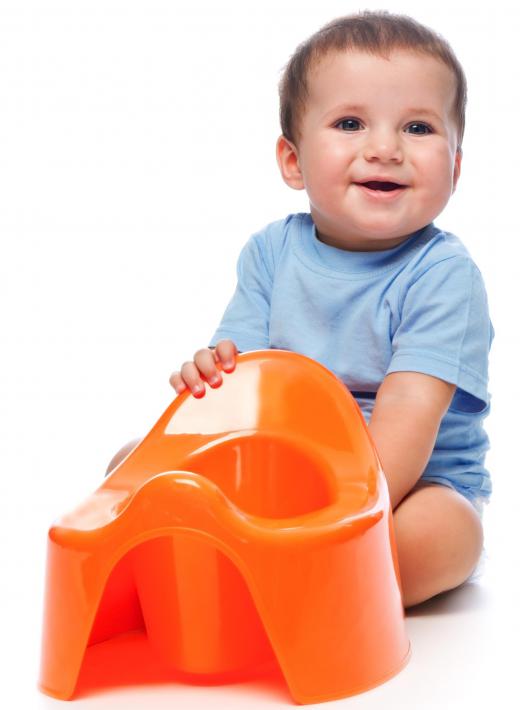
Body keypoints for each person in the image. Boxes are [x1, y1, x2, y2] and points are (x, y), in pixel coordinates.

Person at [106, 11, 494, 609]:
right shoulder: (269, 252)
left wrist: (329, 520)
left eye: (418, 128)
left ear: (457, 169)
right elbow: (241, 384)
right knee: (130, 463)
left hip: (405, 484)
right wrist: (207, 375)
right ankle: (230, 559)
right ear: (293, 161)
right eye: (350, 122)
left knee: (444, 536)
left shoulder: (444, 277)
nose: (385, 148)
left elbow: (405, 430)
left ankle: (293, 583)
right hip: (282, 468)